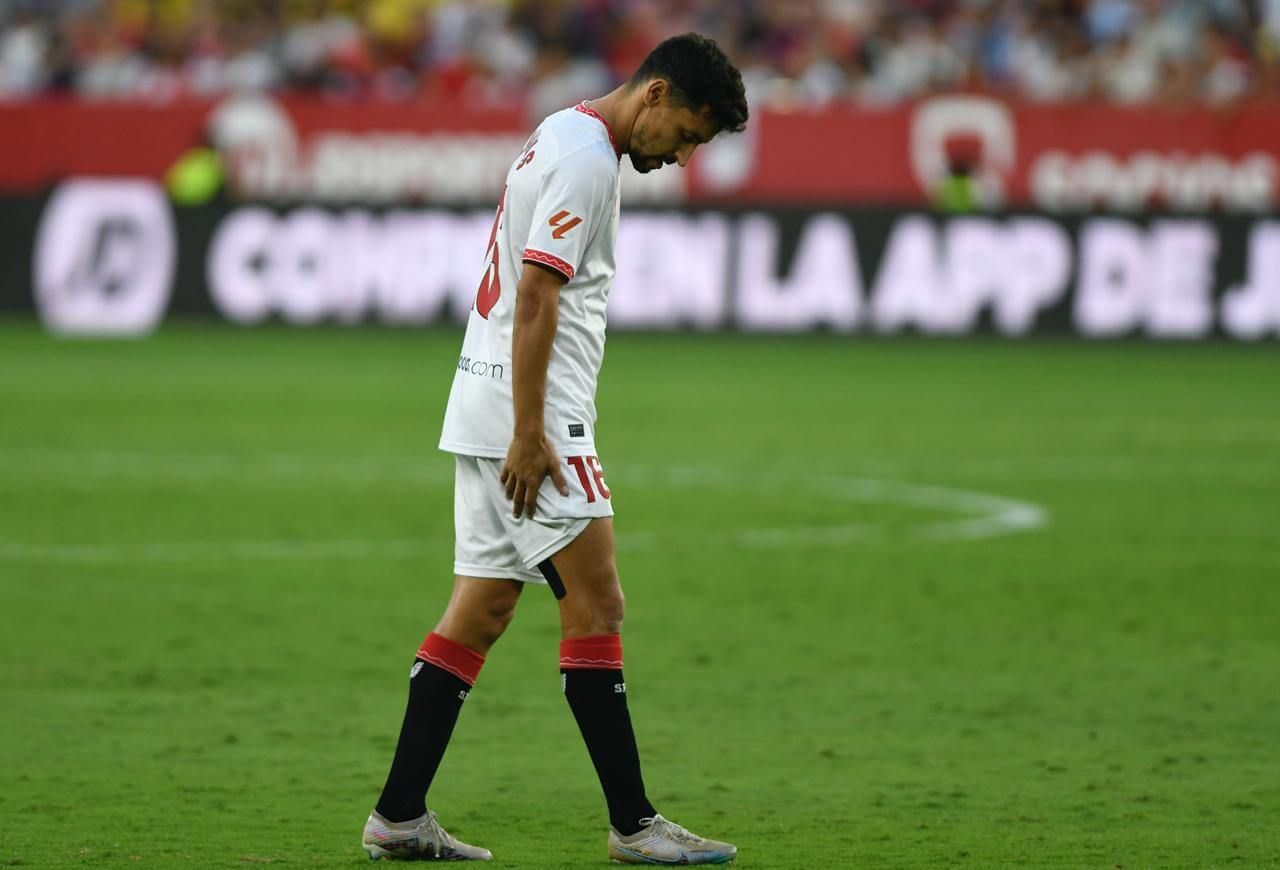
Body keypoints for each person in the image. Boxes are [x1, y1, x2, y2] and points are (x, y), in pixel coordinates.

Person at [361, 33, 749, 864]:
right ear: (654, 94)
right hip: (530, 414)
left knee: (483, 608)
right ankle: (635, 827)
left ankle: (398, 817)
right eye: (687, 131)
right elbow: (537, 293)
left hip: (483, 395)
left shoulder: (562, 129)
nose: (683, 155)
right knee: (598, 604)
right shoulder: (585, 160)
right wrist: (532, 432)